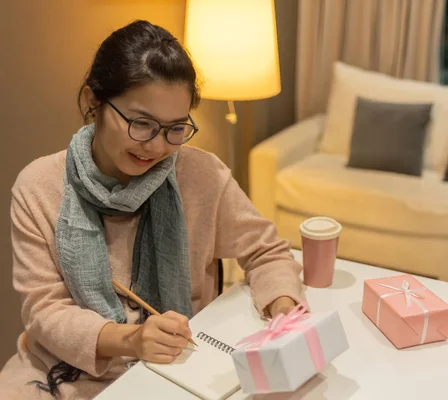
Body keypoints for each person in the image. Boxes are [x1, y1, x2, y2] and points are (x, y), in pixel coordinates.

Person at [0, 20, 305, 399]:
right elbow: (44, 311)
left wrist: (283, 314)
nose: (157, 147)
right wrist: (130, 339)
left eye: (175, 128)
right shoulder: (39, 187)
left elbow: (266, 251)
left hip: (183, 365)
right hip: (64, 369)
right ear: (93, 101)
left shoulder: (201, 173)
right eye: (141, 123)